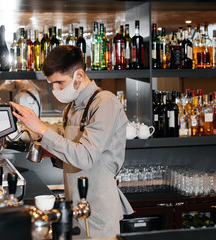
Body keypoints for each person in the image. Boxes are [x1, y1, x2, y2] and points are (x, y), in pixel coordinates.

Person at [9, 45, 133, 238]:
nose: (55, 89)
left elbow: (85, 157)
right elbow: (72, 157)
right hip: (74, 207)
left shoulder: (104, 103)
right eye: (51, 84)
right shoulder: (72, 108)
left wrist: (41, 128)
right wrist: (51, 152)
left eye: (59, 82)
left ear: (79, 75)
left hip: (98, 210)